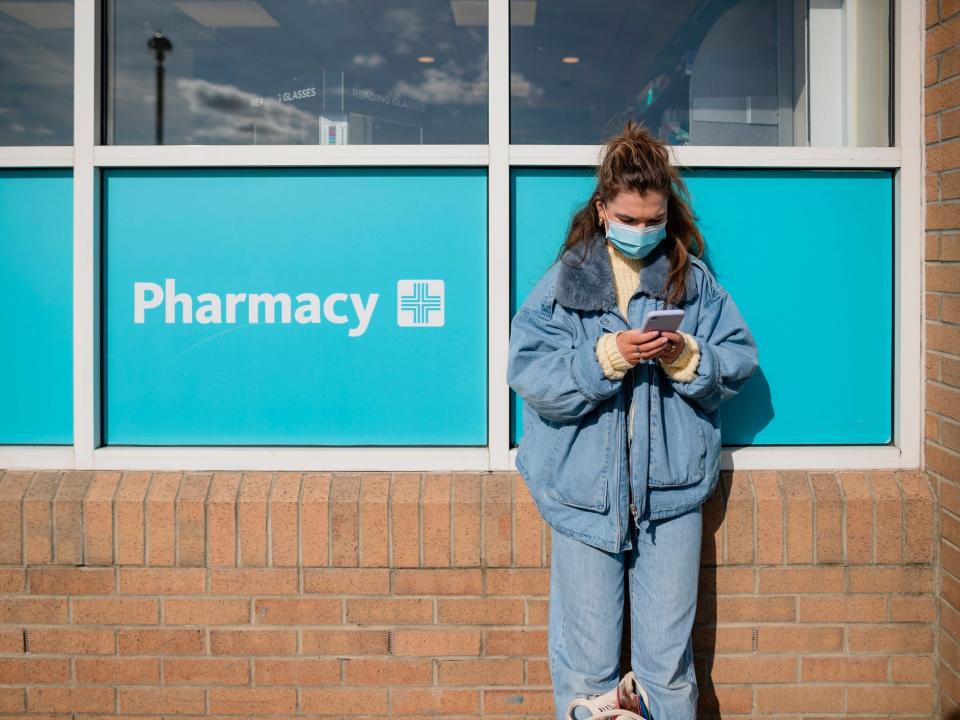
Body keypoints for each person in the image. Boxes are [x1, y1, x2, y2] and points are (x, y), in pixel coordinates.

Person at [506, 119, 759, 720]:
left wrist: (687, 357)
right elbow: (531, 376)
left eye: (654, 220)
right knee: (587, 671)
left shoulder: (693, 283)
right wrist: (607, 357)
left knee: (668, 668)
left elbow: (740, 358)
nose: (642, 231)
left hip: (670, 498)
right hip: (583, 501)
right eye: (629, 218)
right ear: (601, 209)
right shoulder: (563, 284)